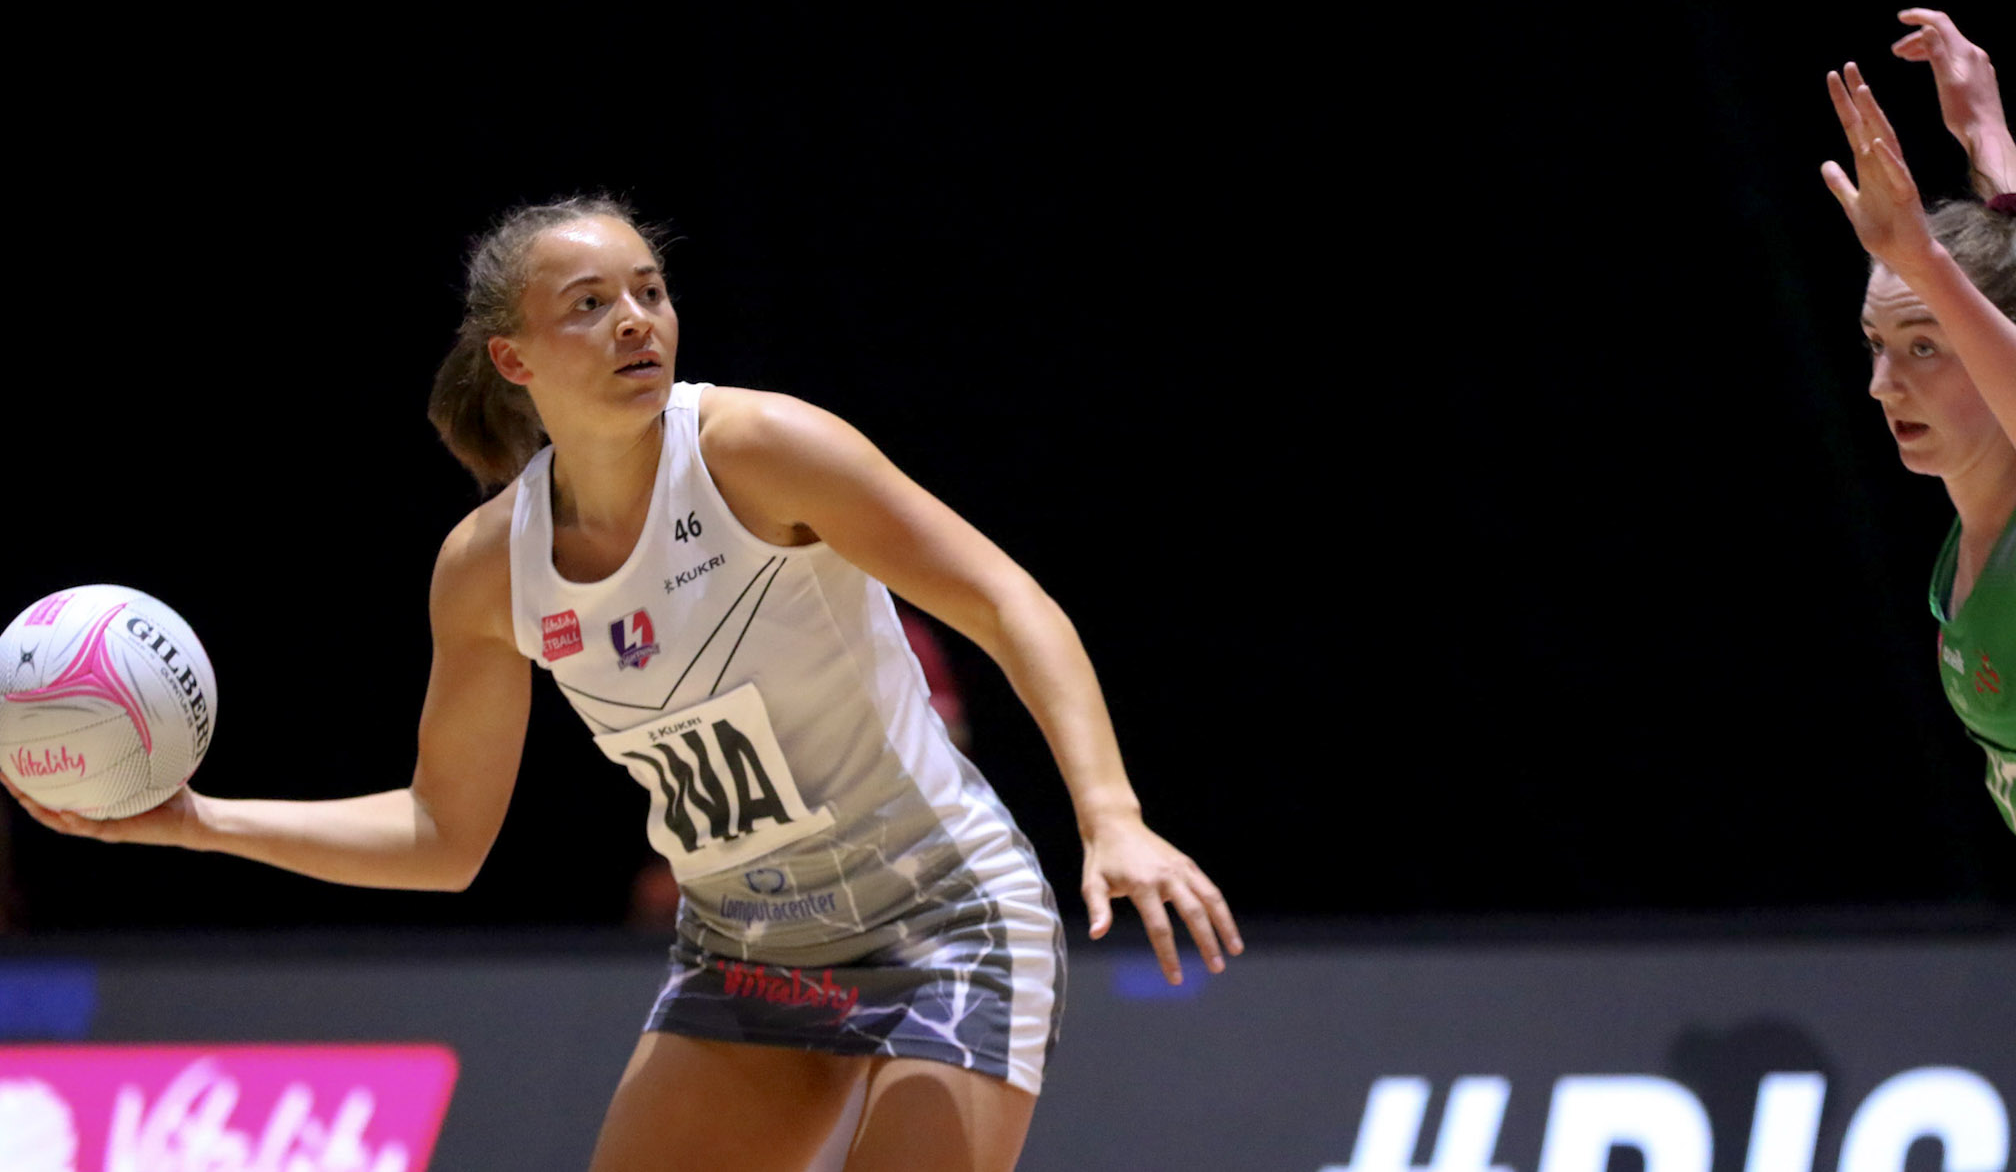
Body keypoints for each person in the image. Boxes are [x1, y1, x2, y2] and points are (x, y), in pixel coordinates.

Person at [0, 197, 1242, 1172]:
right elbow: (443, 838)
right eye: (589, 304)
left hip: (944, 929)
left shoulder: (760, 450)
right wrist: (193, 821)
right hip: (749, 951)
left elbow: (1003, 598)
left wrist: (1109, 811)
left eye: (648, 292)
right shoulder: (489, 566)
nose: (636, 320)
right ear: (516, 358)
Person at [1826, 11, 2016, 861]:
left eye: (1925, 348)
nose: (1886, 385)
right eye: (1880, 346)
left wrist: (1925, 261)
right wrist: (1985, 134)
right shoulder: (1978, 527)